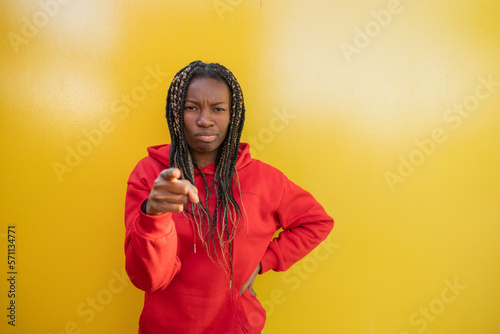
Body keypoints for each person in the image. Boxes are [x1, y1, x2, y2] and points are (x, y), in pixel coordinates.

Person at [124, 60, 334, 334]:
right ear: (177, 113)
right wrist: (153, 215)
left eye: (218, 109)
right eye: (191, 108)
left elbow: (317, 222)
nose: (205, 120)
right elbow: (149, 279)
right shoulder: (151, 174)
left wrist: (265, 261)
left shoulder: (265, 179)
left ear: (233, 115)